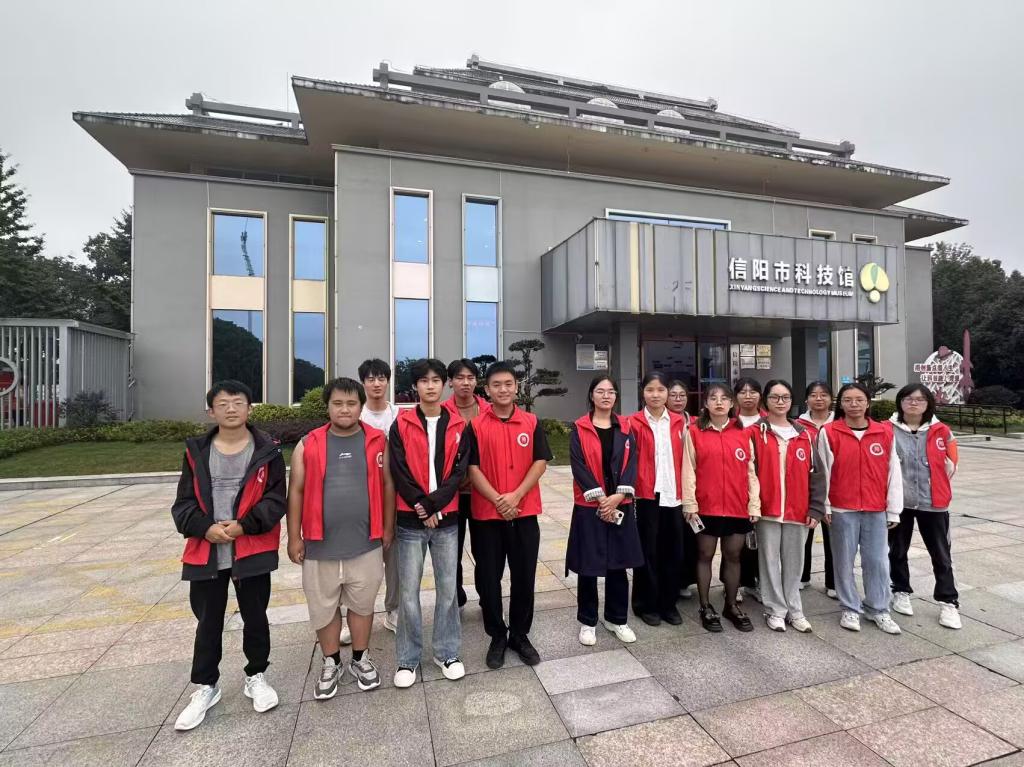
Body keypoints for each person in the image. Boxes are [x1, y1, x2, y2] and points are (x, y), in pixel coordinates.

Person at [172, 381, 286, 730]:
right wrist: (205, 527)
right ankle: (206, 686)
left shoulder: (267, 451)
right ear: (211, 411)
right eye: (223, 404)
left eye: (238, 402)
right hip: (207, 550)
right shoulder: (197, 452)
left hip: (250, 547)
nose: (231, 409)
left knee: (256, 616)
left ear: (250, 408)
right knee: (208, 621)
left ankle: (256, 676)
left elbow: (276, 500)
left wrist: (243, 526)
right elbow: (183, 504)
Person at [287, 377, 392, 698]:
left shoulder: (378, 440)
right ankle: (331, 661)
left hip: (366, 542)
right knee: (324, 606)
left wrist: (387, 527)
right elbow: (296, 491)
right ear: (327, 406)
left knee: (362, 604)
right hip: (320, 545)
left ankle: (360, 658)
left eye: (351, 403)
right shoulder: (309, 444)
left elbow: (388, 484)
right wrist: (293, 537)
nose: (344, 409)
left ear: (361, 406)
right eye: (337, 403)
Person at [389, 358, 470, 687]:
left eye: (436, 380)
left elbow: (459, 473)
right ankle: (407, 659)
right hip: (411, 519)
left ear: (444, 384)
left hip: (447, 518)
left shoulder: (459, 425)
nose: (431, 385)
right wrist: (422, 506)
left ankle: (446, 652)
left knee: (448, 589)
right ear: (416, 386)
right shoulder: (401, 424)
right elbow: (399, 470)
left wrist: (433, 504)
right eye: (424, 380)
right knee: (408, 592)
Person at [467, 361, 551, 668]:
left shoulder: (531, 422)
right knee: (489, 578)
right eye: (496, 385)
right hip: (486, 516)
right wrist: (498, 500)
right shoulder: (475, 425)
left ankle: (519, 634)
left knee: (524, 576)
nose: (503, 389)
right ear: (487, 390)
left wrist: (516, 496)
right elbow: (472, 468)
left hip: (524, 512)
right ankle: (497, 636)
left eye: (508, 384)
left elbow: (540, 461)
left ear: (517, 387)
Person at [818, 382, 903, 635]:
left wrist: (894, 509)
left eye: (859, 400)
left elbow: (893, 471)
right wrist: (825, 505)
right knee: (843, 561)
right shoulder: (829, 432)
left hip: (876, 508)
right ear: (840, 404)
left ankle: (878, 608)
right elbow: (823, 472)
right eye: (848, 400)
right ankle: (850, 607)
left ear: (867, 403)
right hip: (841, 507)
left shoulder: (884, 432)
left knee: (877, 560)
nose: (853, 404)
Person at [567, 376, 643, 646]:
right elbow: (578, 466)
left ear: (616, 396)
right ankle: (588, 621)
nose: (606, 396)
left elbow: (632, 463)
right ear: (591, 395)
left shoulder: (626, 427)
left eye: (611, 391)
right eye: (600, 391)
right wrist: (601, 499)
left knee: (618, 564)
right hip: (590, 506)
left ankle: (616, 618)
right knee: (589, 565)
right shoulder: (579, 428)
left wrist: (619, 496)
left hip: (620, 503)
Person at [683, 383, 761, 633]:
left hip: (737, 506)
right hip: (706, 506)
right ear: (705, 404)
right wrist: (690, 503)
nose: (719, 402)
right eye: (713, 398)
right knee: (704, 555)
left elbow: (751, 471)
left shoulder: (743, 432)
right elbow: (688, 470)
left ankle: (731, 605)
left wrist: (754, 503)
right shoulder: (694, 432)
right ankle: (705, 606)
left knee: (733, 555)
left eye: (724, 398)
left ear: (731, 403)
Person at [751, 380, 826, 633]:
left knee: (795, 563)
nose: (780, 402)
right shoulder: (755, 433)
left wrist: (815, 508)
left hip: (798, 510)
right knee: (769, 562)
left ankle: (795, 609)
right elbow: (749, 473)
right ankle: (775, 609)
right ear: (766, 400)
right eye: (775, 397)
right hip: (767, 510)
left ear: (792, 401)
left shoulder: (804, 435)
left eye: (785, 397)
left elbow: (817, 475)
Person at [888, 384, 961, 629]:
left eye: (920, 399)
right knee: (897, 550)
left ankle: (948, 601)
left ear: (928, 403)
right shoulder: (888, 429)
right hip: (900, 502)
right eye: (908, 398)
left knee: (941, 554)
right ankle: (900, 590)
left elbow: (951, 464)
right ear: (900, 402)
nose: (914, 403)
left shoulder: (942, 431)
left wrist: (935, 485)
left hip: (933, 502)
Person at [628, 372, 686, 626]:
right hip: (646, 495)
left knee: (673, 552)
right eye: (650, 390)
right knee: (647, 551)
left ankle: (668, 604)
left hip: (674, 494)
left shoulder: (679, 422)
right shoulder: (633, 423)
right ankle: (646, 604)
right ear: (642, 392)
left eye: (661, 390)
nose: (655, 395)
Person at [358, 358, 401, 636]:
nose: (376, 383)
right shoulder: (356, 415)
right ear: (363, 383)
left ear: (388, 381)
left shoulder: (399, 416)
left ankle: (393, 610)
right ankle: (357, 615)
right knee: (360, 563)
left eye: (381, 378)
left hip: (394, 496)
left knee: (394, 559)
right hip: (363, 497)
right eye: (371, 379)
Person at [444, 358, 491, 609]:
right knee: (451, 550)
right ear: (450, 382)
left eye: (470, 378)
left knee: (485, 550)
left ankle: (487, 596)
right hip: (452, 495)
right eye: (460, 378)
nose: (465, 383)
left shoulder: (489, 410)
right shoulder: (441, 411)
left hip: (483, 493)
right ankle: (456, 596)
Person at [796, 380, 837, 598]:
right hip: (806, 488)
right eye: (813, 395)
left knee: (833, 539)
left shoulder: (839, 424)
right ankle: (802, 576)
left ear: (831, 399)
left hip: (836, 489)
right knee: (804, 535)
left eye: (823, 395)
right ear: (806, 400)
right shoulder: (797, 426)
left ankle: (833, 582)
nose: (818, 399)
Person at [730, 377, 765, 603]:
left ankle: (754, 582)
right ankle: (733, 584)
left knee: (759, 540)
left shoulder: (769, 421)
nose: (748, 396)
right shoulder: (730, 421)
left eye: (753, 391)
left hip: (765, 486)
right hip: (736, 488)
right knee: (733, 541)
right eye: (743, 392)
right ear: (736, 397)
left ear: (760, 396)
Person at [667, 381, 698, 600]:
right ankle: (672, 581)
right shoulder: (664, 423)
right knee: (673, 539)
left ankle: (686, 580)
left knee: (691, 538)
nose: (678, 399)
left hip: (693, 488)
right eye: (673, 395)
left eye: (682, 395)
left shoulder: (696, 422)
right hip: (671, 488)